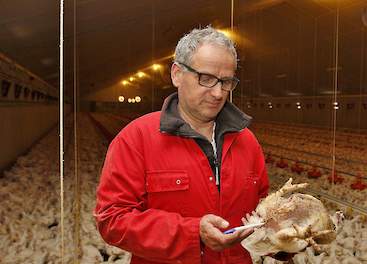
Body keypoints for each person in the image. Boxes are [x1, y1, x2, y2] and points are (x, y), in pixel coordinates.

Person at [94, 26, 269, 264]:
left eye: (226, 82)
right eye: (206, 79)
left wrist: (284, 237)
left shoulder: (246, 140)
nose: (218, 93)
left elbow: (261, 213)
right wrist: (192, 232)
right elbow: (112, 220)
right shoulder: (136, 138)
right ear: (177, 74)